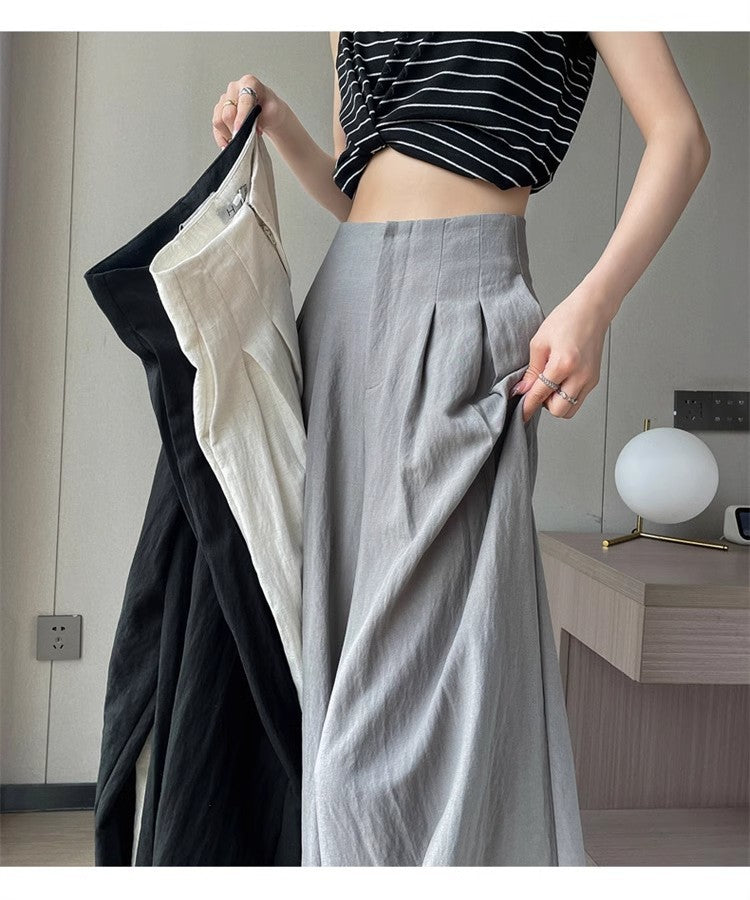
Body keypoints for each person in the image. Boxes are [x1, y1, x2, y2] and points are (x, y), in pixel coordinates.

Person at [211, 31, 710, 866]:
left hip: (464, 303)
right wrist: (281, 127)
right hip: (342, 318)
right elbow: (357, 187)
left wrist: (594, 305)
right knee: (335, 680)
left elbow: (680, 138)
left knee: (392, 722)